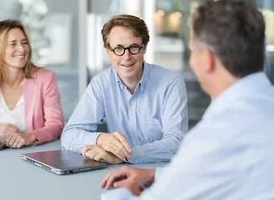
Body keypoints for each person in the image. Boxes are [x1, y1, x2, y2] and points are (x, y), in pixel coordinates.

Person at [100, 0, 274, 200]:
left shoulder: (217, 136)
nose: (190, 61)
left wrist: (122, 192)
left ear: (207, 59)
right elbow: (214, 170)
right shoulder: (262, 109)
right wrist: (157, 174)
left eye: (192, 51)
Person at [61, 14, 188, 164]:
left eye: (134, 47)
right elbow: (69, 135)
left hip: (161, 174)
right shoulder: (101, 84)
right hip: (118, 174)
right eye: (118, 49)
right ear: (108, 50)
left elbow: (177, 144)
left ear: (144, 48)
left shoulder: (171, 84)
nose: (126, 57)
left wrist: (124, 156)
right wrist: (101, 139)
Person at [0, 19, 64, 148]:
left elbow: (56, 124)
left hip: (31, 154)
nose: (22, 49)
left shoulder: (45, 78)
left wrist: (29, 137)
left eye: (24, 43)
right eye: (13, 44)